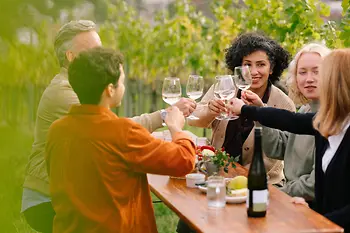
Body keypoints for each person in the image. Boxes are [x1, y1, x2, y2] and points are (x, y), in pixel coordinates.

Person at [21, 20, 195, 233]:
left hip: (72, 214)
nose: (101, 57)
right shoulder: (66, 97)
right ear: (110, 89)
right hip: (46, 200)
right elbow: (183, 159)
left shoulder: (59, 128)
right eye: (121, 82)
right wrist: (177, 128)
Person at [227, 49, 350, 232]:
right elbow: (289, 123)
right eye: (303, 72)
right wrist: (254, 110)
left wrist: (314, 220)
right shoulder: (324, 119)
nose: (312, 79)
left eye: (321, 73)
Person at [188, 32, 295, 185]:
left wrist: (237, 176)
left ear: (271, 68)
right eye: (247, 64)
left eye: (261, 64)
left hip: (263, 183)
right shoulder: (224, 87)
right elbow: (194, 121)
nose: (253, 72)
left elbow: (277, 154)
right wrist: (210, 111)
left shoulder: (284, 103)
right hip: (216, 175)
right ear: (239, 67)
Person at [248, 43, 330, 201]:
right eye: (302, 72)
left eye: (316, 71)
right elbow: (277, 148)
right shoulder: (305, 110)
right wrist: (260, 113)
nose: (309, 79)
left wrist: (276, 194)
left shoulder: (334, 119)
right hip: (294, 199)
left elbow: (314, 185)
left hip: (311, 207)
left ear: (331, 74)